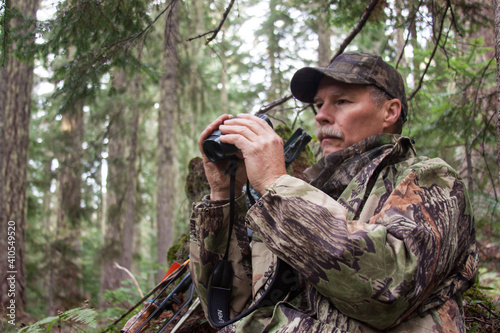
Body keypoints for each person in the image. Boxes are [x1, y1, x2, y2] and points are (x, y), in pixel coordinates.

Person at [189, 52, 478, 332]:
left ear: (390, 111)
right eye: (318, 105)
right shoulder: (300, 195)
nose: (322, 116)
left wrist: (277, 183)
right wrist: (222, 196)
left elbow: (391, 289)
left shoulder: (431, 179)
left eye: (341, 101)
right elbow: (231, 310)